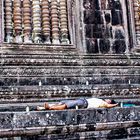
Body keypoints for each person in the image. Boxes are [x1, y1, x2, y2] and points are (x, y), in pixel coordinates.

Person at [37, 97, 118, 111]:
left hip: (84, 103)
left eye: (109, 100)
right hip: (83, 100)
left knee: (66, 106)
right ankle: (44, 108)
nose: (107, 99)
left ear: (109, 102)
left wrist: (115, 104)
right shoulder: (101, 101)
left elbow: (108, 106)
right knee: (63, 102)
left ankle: (50, 108)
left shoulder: (104, 104)